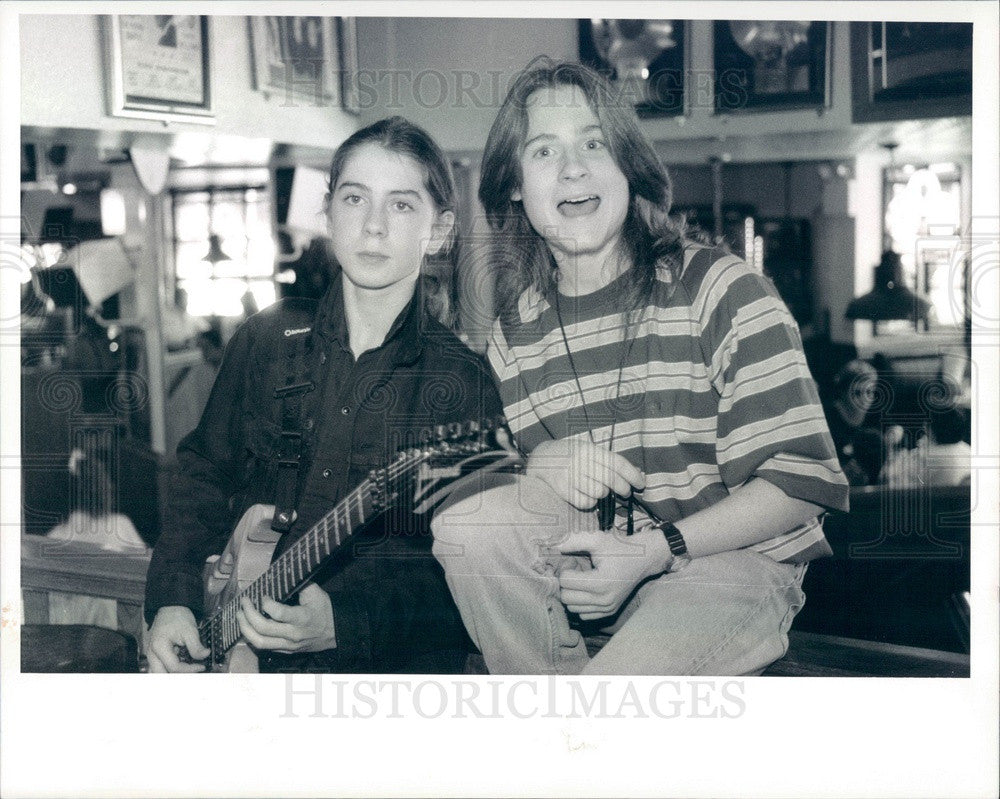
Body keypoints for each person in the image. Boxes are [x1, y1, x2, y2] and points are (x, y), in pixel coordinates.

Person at [431, 60, 849, 675]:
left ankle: (576, 733)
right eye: (543, 150)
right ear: (514, 184)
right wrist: (531, 464)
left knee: (607, 707)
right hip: (590, 574)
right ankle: (553, 713)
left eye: (594, 143)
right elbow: (477, 486)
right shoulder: (514, 335)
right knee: (470, 520)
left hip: (729, 567)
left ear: (627, 165)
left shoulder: (721, 288)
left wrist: (655, 551)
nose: (573, 167)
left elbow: (801, 483)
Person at [144, 117, 502, 674]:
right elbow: (202, 475)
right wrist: (171, 600)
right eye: (355, 198)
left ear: (441, 230)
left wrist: (347, 619)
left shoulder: (463, 386)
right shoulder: (266, 340)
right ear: (329, 214)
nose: (374, 226)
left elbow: (475, 576)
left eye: (403, 205)